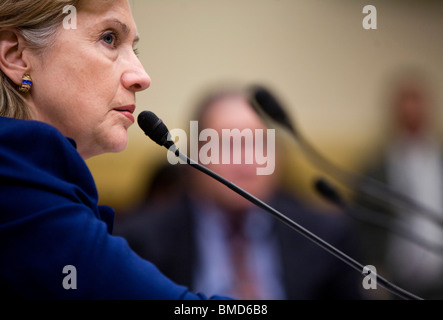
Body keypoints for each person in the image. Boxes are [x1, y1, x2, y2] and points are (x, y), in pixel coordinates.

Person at [0, 0, 233, 300]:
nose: (142, 76)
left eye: (133, 50)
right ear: (16, 56)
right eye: (109, 38)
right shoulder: (12, 166)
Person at [116, 86, 367, 300]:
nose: (245, 160)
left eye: (257, 144)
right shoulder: (139, 242)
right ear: (192, 157)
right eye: (227, 144)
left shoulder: (326, 237)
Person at [354, 69, 443, 299]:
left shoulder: (438, 159)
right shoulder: (375, 168)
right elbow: (362, 229)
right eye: (405, 100)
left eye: (417, 100)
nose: (411, 108)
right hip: (393, 282)